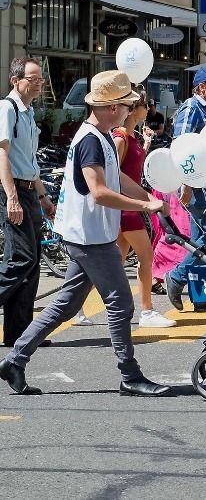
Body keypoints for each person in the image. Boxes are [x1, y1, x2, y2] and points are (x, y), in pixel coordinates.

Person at [0, 71, 171, 396]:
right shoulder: (92, 140)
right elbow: (99, 192)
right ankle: (130, 376)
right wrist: (144, 206)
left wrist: (152, 198)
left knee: (66, 304)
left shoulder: (102, 135)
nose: (129, 110)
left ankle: (15, 360)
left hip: (88, 233)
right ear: (110, 107)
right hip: (89, 237)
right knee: (121, 302)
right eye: (125, 105)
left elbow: (117, 178)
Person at [165, 65, 206, 313]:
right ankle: (177, 276)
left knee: (200, 236)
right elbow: (181, 146)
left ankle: (203, 296)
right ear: (202, 87)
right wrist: (186, 182)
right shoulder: (192, 109)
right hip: (197, 183)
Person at [0, 57, 56, 348]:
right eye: (32, 79)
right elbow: (3, 156)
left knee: (31, 263)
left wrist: (43, 195)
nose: (38, 84)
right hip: (12, 190)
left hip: (29, 190)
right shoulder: (6, 109)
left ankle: (19, 333)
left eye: (40, 79)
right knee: (22, 259)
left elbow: (29, 161)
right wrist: (11, 197)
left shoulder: (28, 112)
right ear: (15, 81)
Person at [112, 86, 175, 329]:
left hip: (129, 205)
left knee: (116, 261)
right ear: (132, 110)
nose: (148, 109)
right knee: (146, 256)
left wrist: (145, 143)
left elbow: (131, 167)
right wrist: (145, 200)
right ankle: (146, 310)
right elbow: (113, 173)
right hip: (126, 206)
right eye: (144, 105)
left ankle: (80, 304)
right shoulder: (120, 136)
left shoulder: (131, 136)